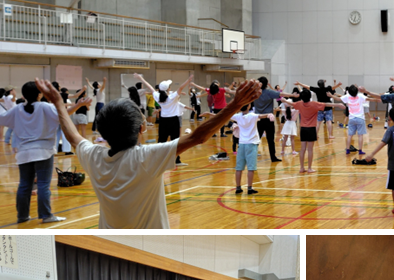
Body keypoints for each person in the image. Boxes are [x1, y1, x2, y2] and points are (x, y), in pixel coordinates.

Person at [39, 77, 262, 229]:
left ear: (103, 133)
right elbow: (198, 137)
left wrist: (58, 103)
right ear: (141, 129)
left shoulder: (94, 156)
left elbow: (72, 136)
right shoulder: (145, 157)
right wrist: (235, 105)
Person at [0, 81, 88, 224]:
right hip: (43, 152)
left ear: (24, 95)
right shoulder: (45, 106)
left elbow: (2, 118)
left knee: (24, 185)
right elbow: (63, 114)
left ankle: (22, 216)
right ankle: (46, 215)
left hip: (24, 153)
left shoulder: (17, 109)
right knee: (43, 185)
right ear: (40, 94)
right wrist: (78, 105)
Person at [134, 74, 193, 166]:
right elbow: (181, 87)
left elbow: (150, 87)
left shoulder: (158, 96)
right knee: (175, 142)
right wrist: (188, 80)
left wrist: (141, 78)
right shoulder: (172, 97)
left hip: (163, 121)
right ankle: (176, 161)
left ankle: (158, 160)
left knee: (161, 141)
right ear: (168, 89)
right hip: (174, 121)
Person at [290, 87, 344, 174]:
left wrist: (283, 100)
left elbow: (291, 103)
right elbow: (326, 104)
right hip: (311, 129)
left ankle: (301, 168)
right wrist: (337, 105)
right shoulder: (314, 104)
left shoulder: (299, 104)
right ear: (310, 96)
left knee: (302, 149)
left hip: (303, 128)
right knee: (310, 149)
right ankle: (309, 168)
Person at [231, 103, 275, 194]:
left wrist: (209, 114)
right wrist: (269, 114)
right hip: (251, 144)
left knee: (239, 168)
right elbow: (261, 116)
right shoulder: (252, 115)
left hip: (241, 144)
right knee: (251, 168)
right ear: (249, 106)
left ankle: (238, 188)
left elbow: (223, 116)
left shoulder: (237, 116)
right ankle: (249, 188)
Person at [251, 77, 296, 162]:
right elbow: (282, 94)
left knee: (256, 139)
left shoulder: (255, 92)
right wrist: (293, 95)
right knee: (270, 139)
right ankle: (273, 157)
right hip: (269, 119)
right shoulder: (269, 92)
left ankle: (251, 156)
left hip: (258, 119)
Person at [334, 85, 369, 156]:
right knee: (360, 135)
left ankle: (347, 150)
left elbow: (338, 99)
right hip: (360, 118)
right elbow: (370, 99)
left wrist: (331, 95)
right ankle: (360, 150)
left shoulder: (347, 96)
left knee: (350, 135)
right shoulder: (360, 96)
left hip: (351, 119)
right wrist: (378, 99)